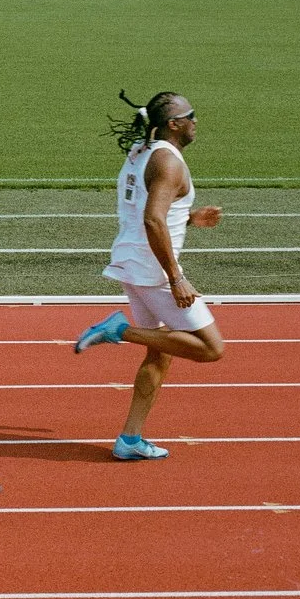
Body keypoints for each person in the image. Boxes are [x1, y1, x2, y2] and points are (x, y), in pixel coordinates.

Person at [72, 91, 225, 459]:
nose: (196, 121)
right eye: (191, 115)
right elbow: (153, 218)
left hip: (132, 262)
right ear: (173, 124)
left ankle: (130, 439)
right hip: (153, 270)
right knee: (210, 349)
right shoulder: (168, 162)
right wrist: (176, 278)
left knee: (160, 352)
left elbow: (151, 208)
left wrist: (188, 217)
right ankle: (116, 329)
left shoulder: (141, 152)